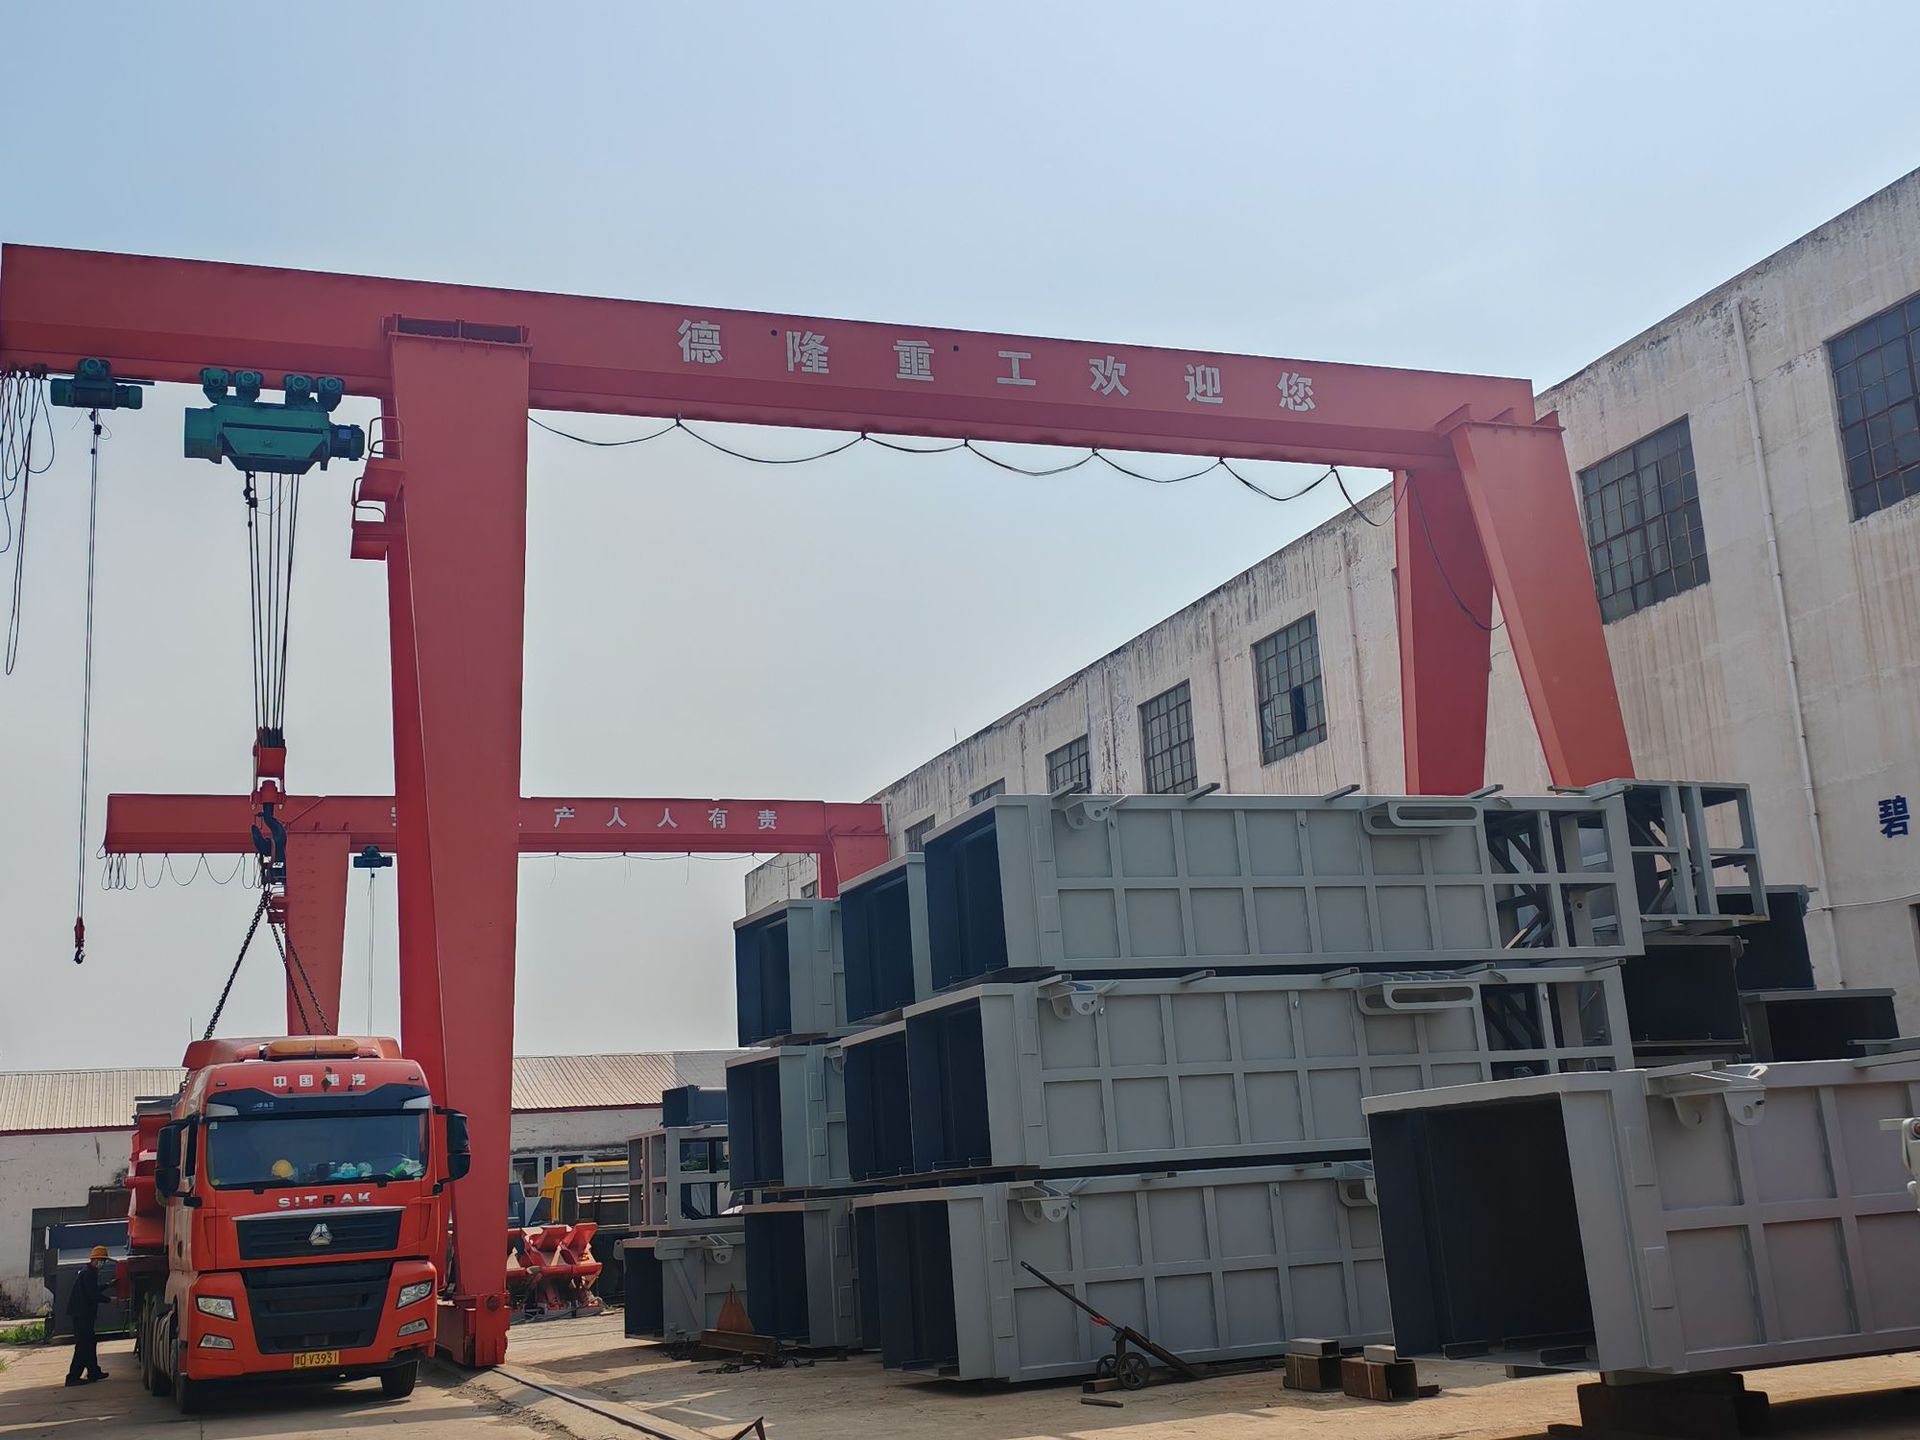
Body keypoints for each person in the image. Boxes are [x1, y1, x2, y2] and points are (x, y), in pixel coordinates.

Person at [64, 1245, 112, 1386]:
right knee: (83, 1346)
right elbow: (93, 1294)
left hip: (84, 1314)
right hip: (82, 1315)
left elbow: (93, 1289)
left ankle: (93, 1372)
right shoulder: (87, 1274)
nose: (102, 1263)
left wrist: (108, 1285)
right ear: (95, 1260)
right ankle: (72, 1377)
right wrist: (110, 1300)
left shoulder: (89, 1272)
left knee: (90, 1343)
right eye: (101, 1260)